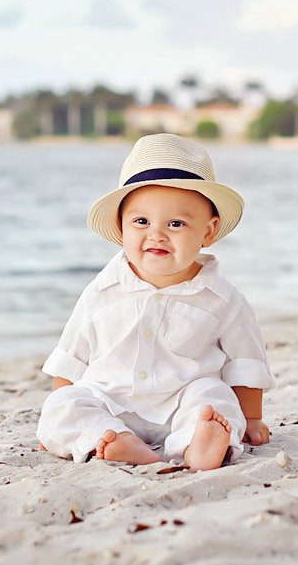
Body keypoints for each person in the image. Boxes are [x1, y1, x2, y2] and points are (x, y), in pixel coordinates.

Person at [36, 133, 274, 471]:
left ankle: (197, 443)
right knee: (63, 404)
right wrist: (55, 415)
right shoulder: (101, 291)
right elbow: (71, 359)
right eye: (141, 222)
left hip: (183, 402)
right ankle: (119, 441)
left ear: (208, 231)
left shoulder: (223, 299)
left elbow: (246, 362)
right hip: (110, 401)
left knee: (216, 396)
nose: (156, 234)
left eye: (176, 224)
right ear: (121, 226)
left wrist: (251, 418)